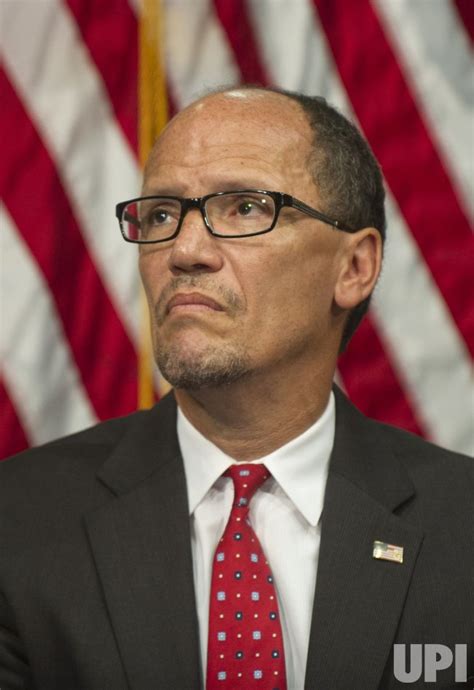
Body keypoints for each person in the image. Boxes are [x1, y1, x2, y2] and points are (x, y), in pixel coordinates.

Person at [0, 86, 472, 690]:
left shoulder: (465, 527)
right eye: (163, 215)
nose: (184, 250)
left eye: (246, 207)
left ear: (354, 267)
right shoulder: (17, 524)